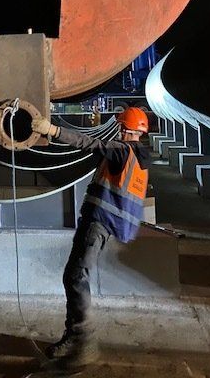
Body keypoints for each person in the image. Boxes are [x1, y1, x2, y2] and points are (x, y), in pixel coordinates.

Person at [31, 107, 151, 371]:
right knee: (74, 276)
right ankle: (73, 336)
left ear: (125, 129)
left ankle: (83, 340)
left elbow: (88, 143)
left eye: (121, 127)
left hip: (99, 222)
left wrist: (52, 131)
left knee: (75, 277)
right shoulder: (140, 156)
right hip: (107, 223)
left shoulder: (122, 151)